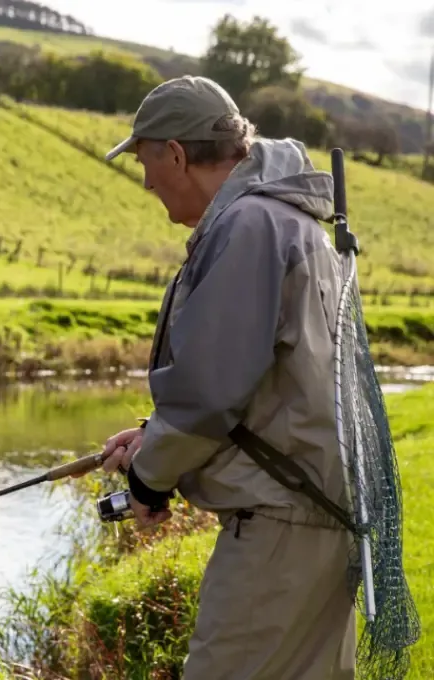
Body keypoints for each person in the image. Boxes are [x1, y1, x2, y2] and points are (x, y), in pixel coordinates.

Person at [81, 75, 358, 679]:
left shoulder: (249, 226)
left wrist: (151, 480)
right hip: (312, 516)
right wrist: (154, 435)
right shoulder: (285, 218)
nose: (148, 181)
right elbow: (254, 380)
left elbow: (210, 395)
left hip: (281, 528)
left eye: (147, 162)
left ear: (176, 155)